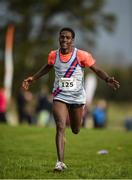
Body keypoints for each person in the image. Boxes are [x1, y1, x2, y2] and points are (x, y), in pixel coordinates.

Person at [22, 27, 120, 171]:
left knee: (75, 129)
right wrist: (34, 78)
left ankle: (64, 137)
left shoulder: (81, 55)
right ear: (59, 38)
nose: (64, 40)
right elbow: (48, 67)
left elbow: (96, 69)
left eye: (68, 38)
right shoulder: (53, 55)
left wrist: (107, 79)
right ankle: (60, 163)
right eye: (62, 37)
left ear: (72, 40)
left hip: (77, 98)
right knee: (60, 126)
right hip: (59, 96)